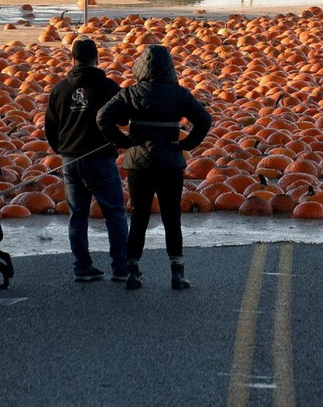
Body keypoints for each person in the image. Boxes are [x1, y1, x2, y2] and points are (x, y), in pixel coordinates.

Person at [96, 44, 211, 291]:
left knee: (139, 217)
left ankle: (133, 272)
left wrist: (123, 142)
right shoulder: (180, 94)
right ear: (170, 68)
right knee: (172, 217)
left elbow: (102, 117)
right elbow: (204, 119)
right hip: (170, 162)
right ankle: (177, 273)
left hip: (139, 163)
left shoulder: (131, 93)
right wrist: (187, 143)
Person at [45, 37, 129, 282]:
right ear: (97, 59)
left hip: (70, 160)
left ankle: (82, 266)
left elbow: (50, 127)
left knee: (77, 214)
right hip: (100, 158)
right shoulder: (109, 88)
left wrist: (62, 150)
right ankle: (121, 268)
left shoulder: (60, 89)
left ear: (72, 59)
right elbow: (123, 120)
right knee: (114, 213)